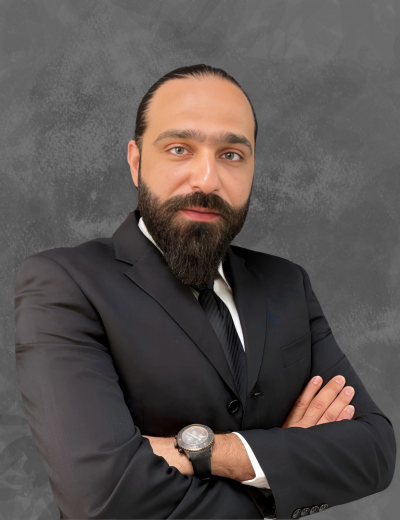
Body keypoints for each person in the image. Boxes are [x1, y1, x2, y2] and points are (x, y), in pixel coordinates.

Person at [14, 64, 396, 520]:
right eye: (179, 149)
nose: (207, 180)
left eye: (232, 154)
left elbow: (374, 451)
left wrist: (212, 452)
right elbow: (103, 497)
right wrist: (274, 482)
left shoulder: (287, 283)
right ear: (136, 162)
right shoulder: (64, 283)